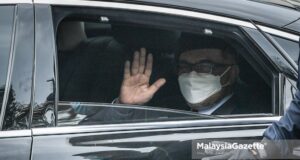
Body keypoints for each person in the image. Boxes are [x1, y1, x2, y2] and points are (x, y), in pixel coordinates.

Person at [115, 35, 268, 115]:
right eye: (185, 66)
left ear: (231, 73)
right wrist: (126, 107)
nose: (192, 74)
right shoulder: (165, 107)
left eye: (205, 66)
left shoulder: (253, 119)